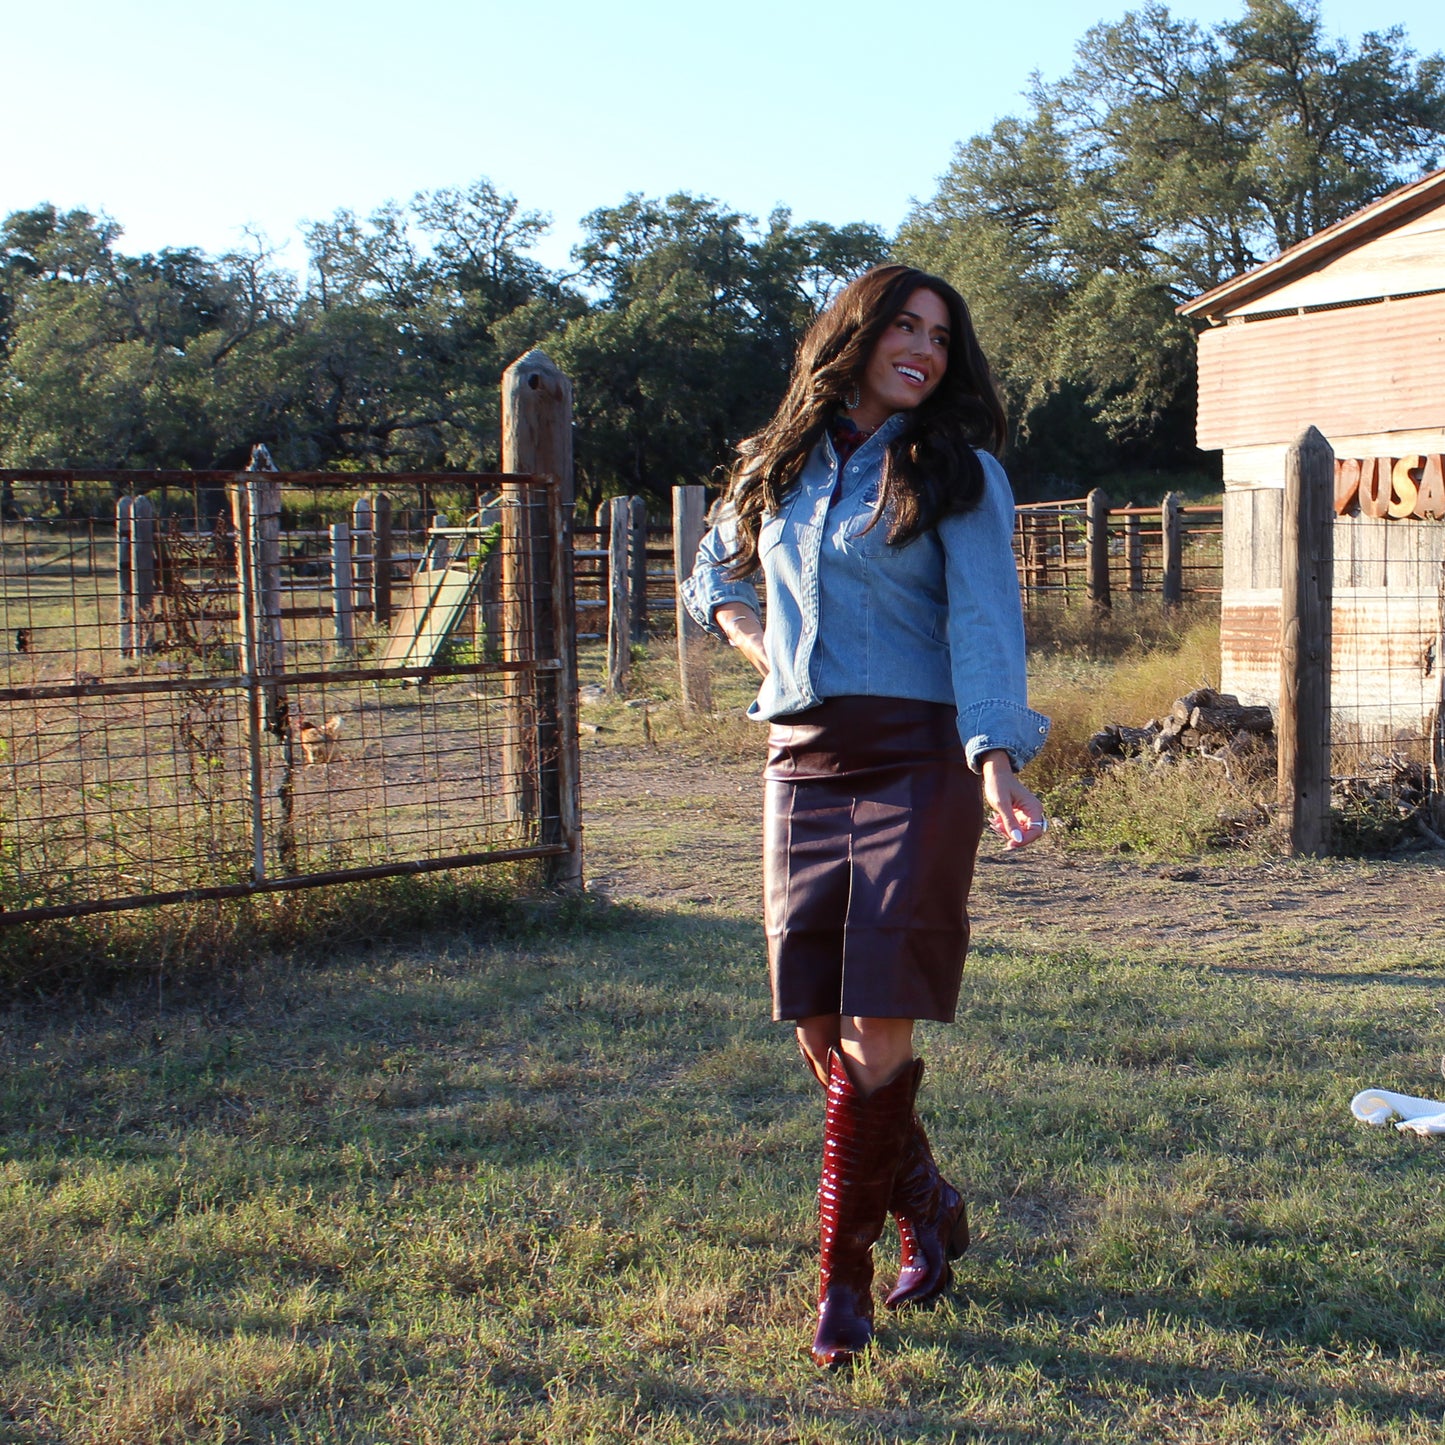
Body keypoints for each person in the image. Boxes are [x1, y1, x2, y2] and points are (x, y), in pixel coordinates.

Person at [681, 263, 1050, 1369]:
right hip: (800, 759)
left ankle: (841, 1280)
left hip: (915, 762)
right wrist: (753, 639)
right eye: (905, 326)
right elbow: (709, 565)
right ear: (853, 334)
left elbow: (985, 624)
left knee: (875, 1016)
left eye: (940, 336)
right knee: (813, 1022)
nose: (925, 350)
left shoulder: (957, 472)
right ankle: (924, 1200)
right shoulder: (773, 466)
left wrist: (994, 759)